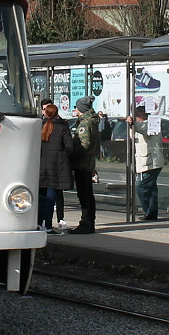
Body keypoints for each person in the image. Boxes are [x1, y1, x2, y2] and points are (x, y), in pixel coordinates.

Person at [37, 99, 74, 233]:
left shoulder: (38, 126)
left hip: (40, 166)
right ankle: (48, 225)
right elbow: (70, 146)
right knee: (51, 197)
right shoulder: (62, 126)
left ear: (45, 113)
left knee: (41, 197)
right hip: (57, 167)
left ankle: (38, 223)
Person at [67, 95, 100, 234]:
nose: (76, 110)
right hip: (88, 163)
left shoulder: (85, 124)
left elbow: (84, 144)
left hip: (82, 163)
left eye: (76, 107)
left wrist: (73, 154)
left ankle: (86, 222)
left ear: (81, 109)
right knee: (88, 194)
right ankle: (89, 222)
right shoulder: (91, 121)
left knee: (84, 194)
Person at [126, 105, 165, 220]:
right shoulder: (141, 126)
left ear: (141, 116)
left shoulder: (151, 124)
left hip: (149, 161)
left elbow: (143, 128)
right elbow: (133, 135)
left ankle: (149, 211)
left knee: (141, 185)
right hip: (149, 161)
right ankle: (151, 213)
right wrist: (131, 125)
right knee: (151, 188)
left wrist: (132, 123)